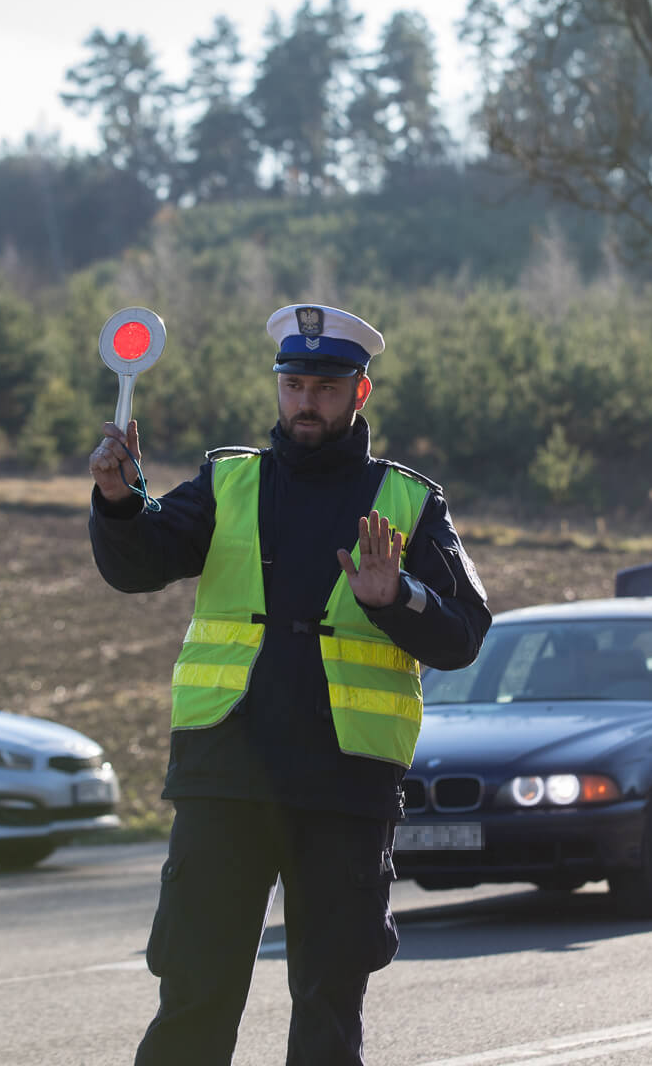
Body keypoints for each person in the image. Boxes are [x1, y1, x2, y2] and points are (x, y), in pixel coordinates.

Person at [89, 302, 492, 1066]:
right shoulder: (228, 480)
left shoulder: (410, 500)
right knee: (194, 997)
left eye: (327, 387)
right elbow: (140, 563)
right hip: (226, 777)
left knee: (328, 1008)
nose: (307, 401)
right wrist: (117, 500)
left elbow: (465, 633)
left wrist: (396, 597)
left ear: (359, 394)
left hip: (344, 787)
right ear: (278, 386)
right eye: (295, 383)